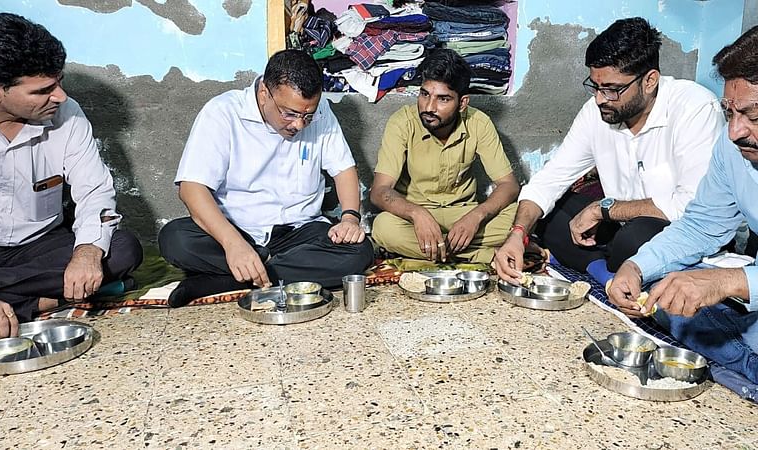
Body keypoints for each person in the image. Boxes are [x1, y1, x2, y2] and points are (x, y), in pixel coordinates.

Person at [493, 18, 724, 286]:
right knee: (549, 216)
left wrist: (604, 210)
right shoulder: (597, 111)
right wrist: (518, 234)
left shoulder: (694, 108)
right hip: (617, 222)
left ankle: (609, 262)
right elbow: (550, 179)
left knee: (633, 239)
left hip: (673, 228)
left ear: (649, 81)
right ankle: (602, 272)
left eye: (613, 89)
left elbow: (690, 206)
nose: (600, 99)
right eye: (595, 86)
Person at [0, 13, 143, 340]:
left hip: (38, 246)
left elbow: (95, 193)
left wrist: (86, 252)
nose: (59, 96)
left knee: (122, 248)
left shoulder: (66, 113)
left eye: (59, 81)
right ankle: (36, 300)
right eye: (43, 89)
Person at [159, 50, 374, 307]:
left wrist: (350, 218)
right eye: (290, 114)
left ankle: (229, 279)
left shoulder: (321, 111)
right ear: (264, 93)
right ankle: (264, 269)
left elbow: (344, 169)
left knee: (359, 252)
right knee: (175, 239)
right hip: (238, 230)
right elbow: (191, 189)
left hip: (300, 232)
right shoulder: (223, 112)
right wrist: (234, 244)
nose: (300, 125)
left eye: (308, 116)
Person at [608, 27, 758, 383]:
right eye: (730, 112)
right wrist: (636, 266)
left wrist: (730, 281)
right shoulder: (732, 145)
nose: (735, 130)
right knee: (667, 292)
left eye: (753, 115)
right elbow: (702, 224)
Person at [370, 49, 519, 263]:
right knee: (383, 227)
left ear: (462, 103)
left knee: (519, 215)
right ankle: (482, 255)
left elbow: (509, 185)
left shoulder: (479, 123)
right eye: (424, 94)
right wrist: (417, 214)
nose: (429, 107)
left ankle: (435, 251)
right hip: (415, 217)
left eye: (443, 99)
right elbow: (379, 191)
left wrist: (476, 217)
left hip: (463, 213)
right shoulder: (402, 122)